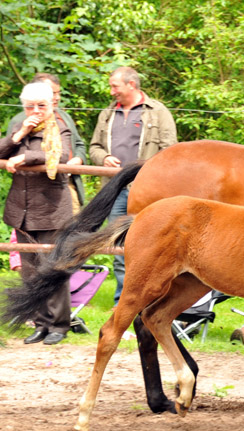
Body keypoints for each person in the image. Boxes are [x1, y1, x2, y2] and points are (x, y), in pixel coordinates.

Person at [90, 66, 177, 306]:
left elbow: (170, 151)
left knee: (150, 248)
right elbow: (94, 147)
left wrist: (148, 173)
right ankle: (122, 303)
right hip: (116, 190)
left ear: (131, 84)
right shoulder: (108, 114)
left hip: (148, 193)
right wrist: (103, 158)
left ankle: (148, 301)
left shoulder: (158, 112)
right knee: (120, 246)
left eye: (115, 86)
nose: (111, 91)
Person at [0, 82, 74, 345]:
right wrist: (19, 134)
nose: (36, 110)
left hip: (51, 209)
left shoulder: (60, 125)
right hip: (21, 210)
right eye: (30, 106)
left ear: (51, 104)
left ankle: (59, 325)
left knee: (52, 267)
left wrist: (27, 157)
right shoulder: (19, 125)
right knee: (29, 272)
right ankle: (41, 323)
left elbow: (62, 154)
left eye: (41, 105)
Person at [7, 73, 86, 214]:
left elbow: (79, 144)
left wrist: (78, 159)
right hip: (35, 190)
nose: (57, 97)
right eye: (52, 92)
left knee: (72, 230)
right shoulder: (20, 121)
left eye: (58, 93)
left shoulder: (63, 117)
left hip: (68, 184)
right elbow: (9, 152)